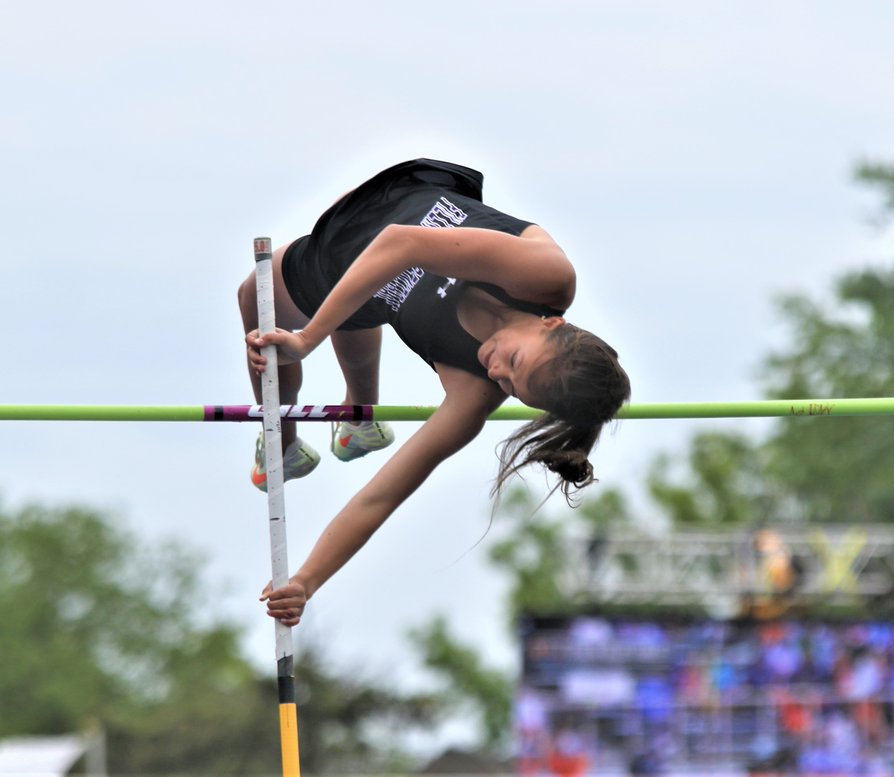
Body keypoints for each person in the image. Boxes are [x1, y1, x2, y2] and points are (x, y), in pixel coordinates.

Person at [238, 159, 630, 626]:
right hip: (397, 205)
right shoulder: (544, 275)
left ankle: (332, 430)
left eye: (510, 386)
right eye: (516, 362)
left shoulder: (472, 394)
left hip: (359, 268)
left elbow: (380, 497)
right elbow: (401, 242)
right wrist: (307, 339)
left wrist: (307, 581)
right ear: (552, 323)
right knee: (344, 288)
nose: (496, 368)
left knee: (253, 295)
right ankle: (316, 434)